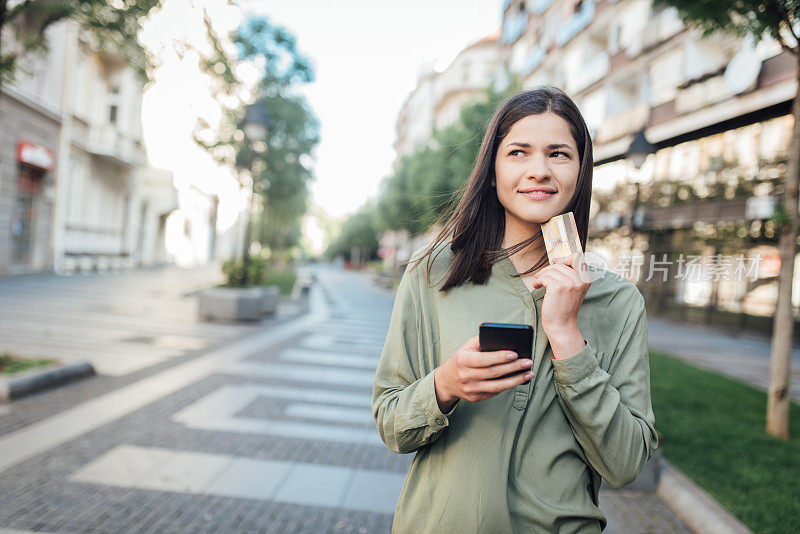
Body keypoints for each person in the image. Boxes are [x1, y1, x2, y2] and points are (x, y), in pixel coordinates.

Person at [372, 86, 657, 533]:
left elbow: (625, 464)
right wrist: (445, 385)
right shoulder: (434, 272)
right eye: (519, 152)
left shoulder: (619, 302)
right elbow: (392, 424)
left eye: (559, 154)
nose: (539, 171)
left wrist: (567, 336)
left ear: (581, 171)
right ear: (492, 171)